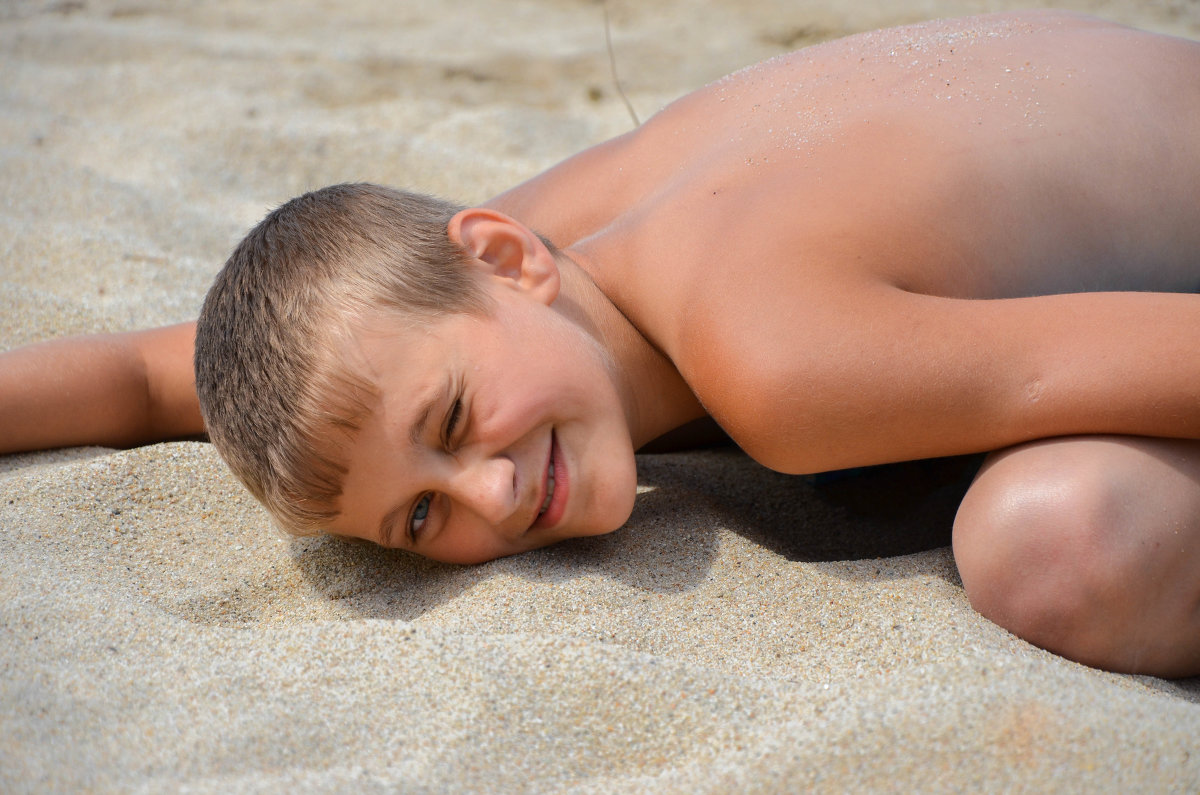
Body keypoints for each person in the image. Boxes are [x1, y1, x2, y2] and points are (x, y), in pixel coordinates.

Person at [2, 10, 1198, 676]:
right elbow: (150, 372)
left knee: (1057, 540)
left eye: (452, 425)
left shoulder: (773, 356)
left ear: (504, 258)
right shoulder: (517, 263)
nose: (490, 494)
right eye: (421, 519)